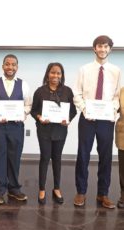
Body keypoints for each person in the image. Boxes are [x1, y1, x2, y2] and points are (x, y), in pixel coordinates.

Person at [73, 35, 121, 209]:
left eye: (106, 46)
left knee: (106, 157)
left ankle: (103, 194)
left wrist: (112, 110)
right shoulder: (84, 69)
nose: (102, 49)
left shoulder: (116, 71)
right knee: (83, 155)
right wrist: (86, 111)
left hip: (106, 120)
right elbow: (77, 93)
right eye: (99, 46)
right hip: (88, 119)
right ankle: (81, 192)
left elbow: (116, 97)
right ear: (94, 48)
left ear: (110, 49)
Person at [0, 54, 32, 205]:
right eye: (7, 64)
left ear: (17, 67)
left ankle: (14, 189)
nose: (10, 67)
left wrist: (23, 113)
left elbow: (28, 105)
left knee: (14, 157)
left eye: (13, 64)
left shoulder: (23, 85)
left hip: (16, 127)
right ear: (3, 66)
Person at [31, 62, 76, 204]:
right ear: (47, 74)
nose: (55, 75)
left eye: (58, 73)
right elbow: (33, 110)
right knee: (45, 158)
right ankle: (42, 189)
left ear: (62, 75)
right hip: (44, 130)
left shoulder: (67, 91)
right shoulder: (40, 91)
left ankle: (57, 188)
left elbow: (73, 110)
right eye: (52, 72)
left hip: (60, 130)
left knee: (57, 158)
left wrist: (67, 119)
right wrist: (39, 117)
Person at [115, 87, 124, 208]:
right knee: (123, 167)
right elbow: (113, 107)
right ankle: (123, 195)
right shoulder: (122, 91)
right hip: (123, 135)